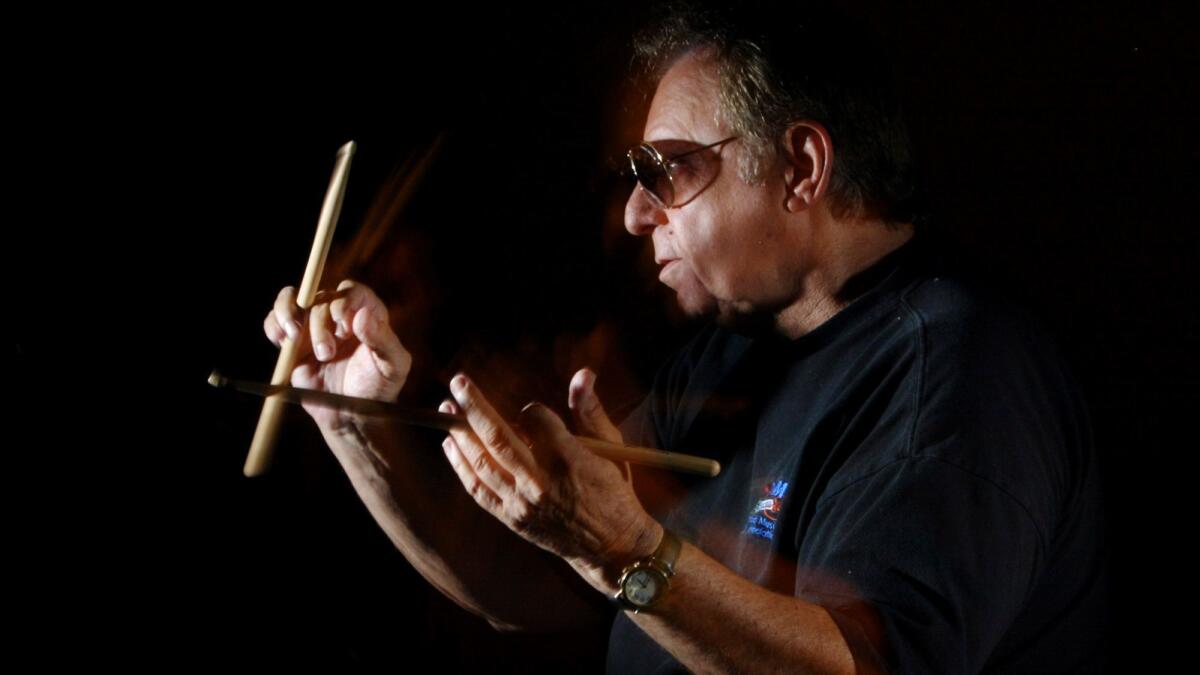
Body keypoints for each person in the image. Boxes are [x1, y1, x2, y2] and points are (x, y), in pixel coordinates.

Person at [262, 4, 1108, 672]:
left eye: (665, 171)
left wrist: (619, 546)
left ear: (801, 169)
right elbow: (522, 584)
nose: (635, 212)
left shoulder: (955, 375)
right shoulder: (734, 350)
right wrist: (355, 417)